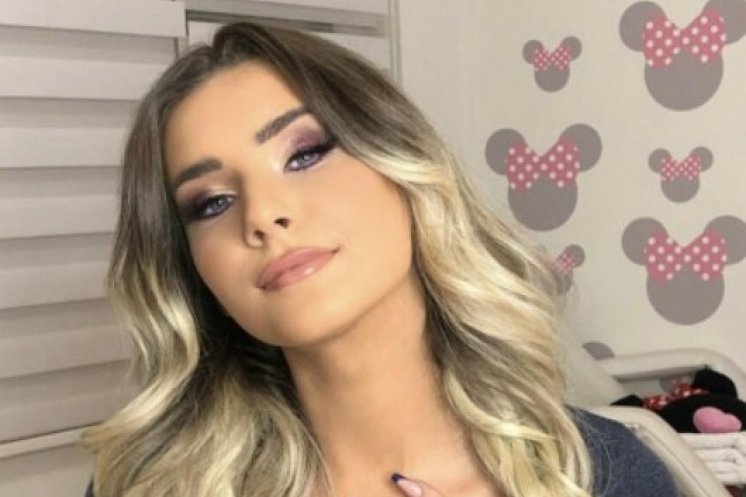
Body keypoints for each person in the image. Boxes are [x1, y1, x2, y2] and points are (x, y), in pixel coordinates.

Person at [81, 22, 678, 497]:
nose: (262, 215)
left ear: (404, 166)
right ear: (193, 269)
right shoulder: (150, 484)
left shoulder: (607, 475)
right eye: (212, 202)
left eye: (305, 154)